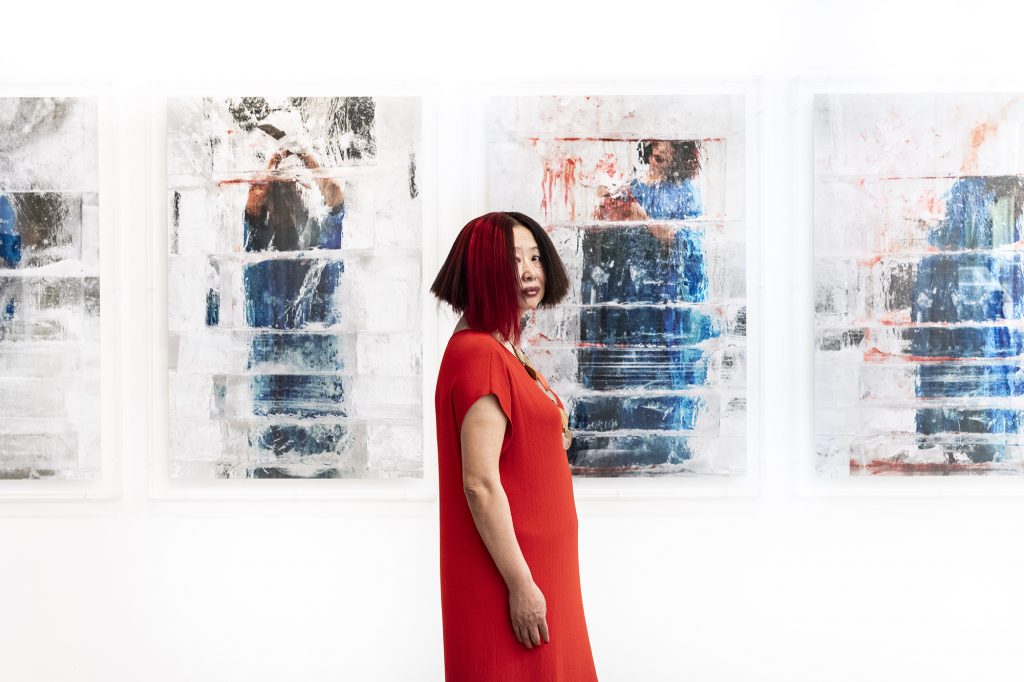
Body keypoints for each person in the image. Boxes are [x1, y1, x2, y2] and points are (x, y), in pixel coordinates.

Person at [431, 212, 599, 680]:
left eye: (535, 257)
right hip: (513, 574)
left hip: (542, 568)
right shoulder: (481, 354)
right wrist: (522, 585)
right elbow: (480, 483)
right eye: (512, 261)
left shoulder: (502, 348)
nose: (529, 271)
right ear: (482, 272)